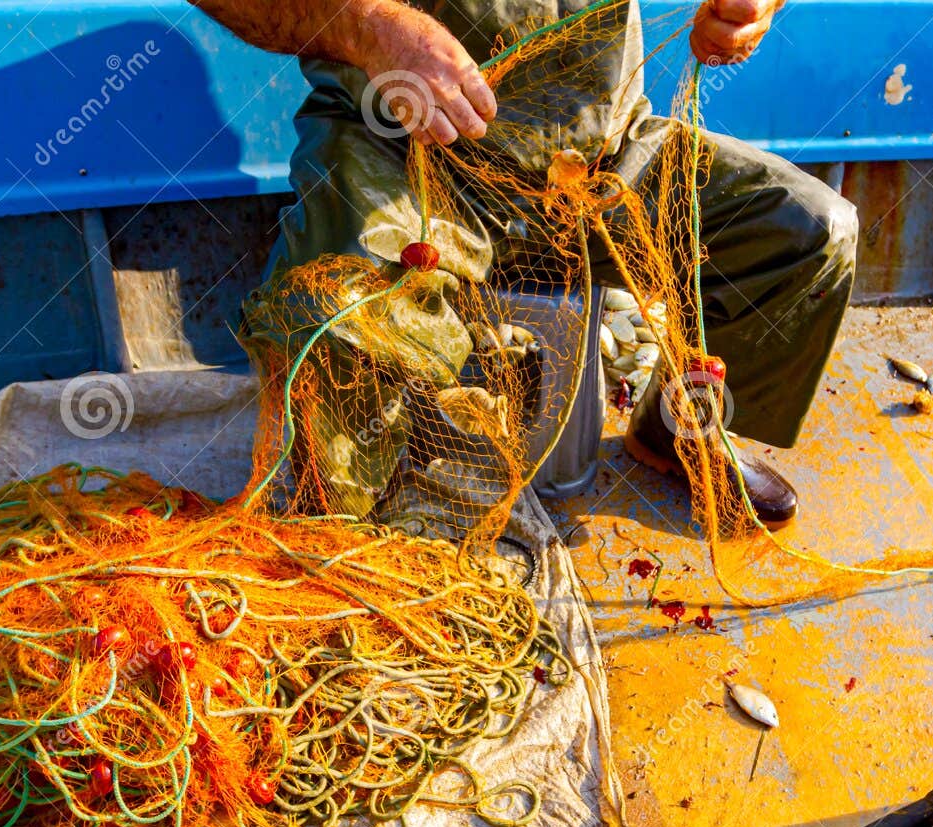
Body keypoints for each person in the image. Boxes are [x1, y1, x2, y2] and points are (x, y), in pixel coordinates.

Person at [193, 0, 857, 529]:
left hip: (600, 160)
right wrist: (369, 25)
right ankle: (350, 513)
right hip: (404, 153)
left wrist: (754, 8)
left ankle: (672, 426)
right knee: (338, 321)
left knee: (812, 231)